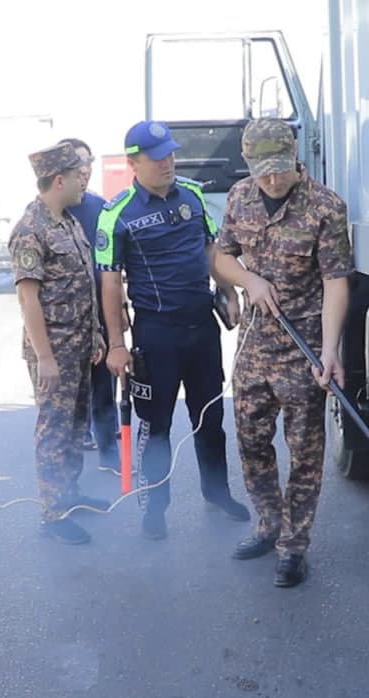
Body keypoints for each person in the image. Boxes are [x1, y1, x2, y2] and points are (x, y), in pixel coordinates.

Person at [211, 119, 353, 588]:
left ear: (296, 158)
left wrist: (330, 351)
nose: (272, 180)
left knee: (305, 453)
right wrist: (248, 280)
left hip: (303, 346)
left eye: (279, 169)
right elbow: (222, 256)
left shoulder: (325, 207)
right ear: (250, 164)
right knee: (251, 442)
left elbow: (335, 281)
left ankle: (294, 545)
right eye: (262, 171)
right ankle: (268, 525)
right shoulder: (240, 197)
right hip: (255, 345)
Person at [95, 120, 251, 540]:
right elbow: (110, 283)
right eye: (157, 156)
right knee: (156, 426)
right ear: (133, 162)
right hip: (155, 334)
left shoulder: (194, 195)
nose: (168, 162)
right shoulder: (117, 214)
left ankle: (217, 492)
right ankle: (155, 507)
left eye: (171, 154)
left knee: (211, 417)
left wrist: (228, 291)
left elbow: (210, 250)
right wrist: (116, 345)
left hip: (201, 327)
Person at [9, 142, 111, 544]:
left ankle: (70, 493)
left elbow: (83, 285)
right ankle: (53, 512)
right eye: (77, 175)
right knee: (54, 430)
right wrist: (46, 358)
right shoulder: (31, 229)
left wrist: (97, 334)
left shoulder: (66, 221)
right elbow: (27, 298)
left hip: (79, 348)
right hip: (53, 352)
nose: (83, 180)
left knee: (74, 427)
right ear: (58, 180)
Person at [60, 136, 120, 473]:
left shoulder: (101, 209)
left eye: (87, 163)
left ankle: (109, 453)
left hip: (99, 315)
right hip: (64, 325)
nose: (84, 171)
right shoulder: (48, 211)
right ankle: (65, 480)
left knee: (103, 391)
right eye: (77, 164)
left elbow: (113, 267)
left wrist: (117, 317)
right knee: (65, 402)